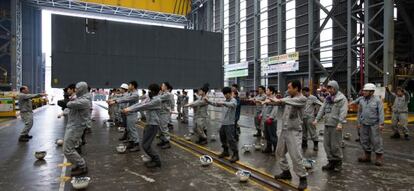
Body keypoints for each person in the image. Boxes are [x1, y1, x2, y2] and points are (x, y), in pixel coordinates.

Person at [265, 80, 308, 191]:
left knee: (295, 156)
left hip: (294, 131)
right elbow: (280, 103)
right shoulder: (289, 98)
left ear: (297, 88)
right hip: (284, 130)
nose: (287, 90)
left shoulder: (302, 99)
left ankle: (302, 177)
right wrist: (268, 102)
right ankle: (286, 172)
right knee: (279, 153)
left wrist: (279, 99)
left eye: (290, 88)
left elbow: (287, 101)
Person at [123, 84, 162, 168]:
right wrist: (129, 108)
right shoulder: (149, 98)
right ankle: (153, 158)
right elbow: (139, 104)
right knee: (146, 144)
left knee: (145, 145)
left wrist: (130, 109)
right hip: (149, 124)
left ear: (155, 91)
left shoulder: (157, 100)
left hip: (153, 125)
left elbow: (144, 106)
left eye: (150, 90)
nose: (149, 92)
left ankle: (157, 160)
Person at [313, 80, 348, 172]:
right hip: (327, 124)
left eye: (331, 88)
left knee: (335, 145)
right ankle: (331, 161)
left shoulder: (342, 99)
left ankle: (338, 163)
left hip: (336, 125)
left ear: (336, 88)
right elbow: (322, 109)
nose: (330, 90)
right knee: (327, 145)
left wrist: (340, 123)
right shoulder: (328, 99)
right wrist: (317, 119)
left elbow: (343, 111)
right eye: (329, 88)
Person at [349, 83, 385, 166]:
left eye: (366, 91)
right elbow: (357, 108)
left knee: (376, 141)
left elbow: (381, 113)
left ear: (371, 92)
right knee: (364, 140)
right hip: (364, 124)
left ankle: (379, 157)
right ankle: (367, 156)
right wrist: (358, 122)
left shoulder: (377, 100)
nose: (364, 92)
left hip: (374, 124)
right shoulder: (361, 99)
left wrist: (381, 124)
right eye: (364, 90)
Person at [204, 87, 239, 163]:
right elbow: (216, 104)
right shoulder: (225, 101)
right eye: (224, 94)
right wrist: (208, 101)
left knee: (231, 139)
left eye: (226, 94)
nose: (225, 96)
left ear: (230, 93)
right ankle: (226, 151)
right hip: (223, 123)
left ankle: (236, 155)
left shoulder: (233, 100)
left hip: (230, 124)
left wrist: (223, 103)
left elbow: (232, 105)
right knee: (222, 138)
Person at [64, 82, 91, 176]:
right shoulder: (80, 98)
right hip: (73, 125)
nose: (75, 90)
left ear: (82, 89)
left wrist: (69, 99)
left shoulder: (84, 101)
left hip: (76, 127)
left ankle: (82, 166)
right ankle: (78, 164)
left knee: (67, 149)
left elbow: (69, 104)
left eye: (76, 88)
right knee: (69, 148)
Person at [108, 81, 141, 152]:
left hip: (132, 114)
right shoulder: (130, 93)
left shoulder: (135, 95)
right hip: (128, 113)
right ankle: (131, 142)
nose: (128, 86)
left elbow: (125, 99)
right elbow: (122, 97)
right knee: (129, 129)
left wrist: (115, 101)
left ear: (133, 86)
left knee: (132, 129)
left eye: (129, 85)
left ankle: (136, 144)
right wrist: (113, 100)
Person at [260, 86, 278, 154]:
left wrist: (271, 117)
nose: (266, 91)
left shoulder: (275, 99)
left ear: (271, 91)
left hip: (271, 121)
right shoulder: (267, 99)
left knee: (273, 136)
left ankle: (275, 150)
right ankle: (268, 148)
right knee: (267, 135)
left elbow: (275, 110)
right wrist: (261, 114)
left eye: (267, 90)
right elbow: (264, 108)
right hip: (265, 120)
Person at [157, 82, 174, 149]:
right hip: (160, 112)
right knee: (160, 128)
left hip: (164, 113)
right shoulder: (162, 93)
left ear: (166, 87)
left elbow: (158, 98)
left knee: (164, 128)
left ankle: (167, 142)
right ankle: (163, 140)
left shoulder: (167, 94)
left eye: (163, 86)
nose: (161, 87)